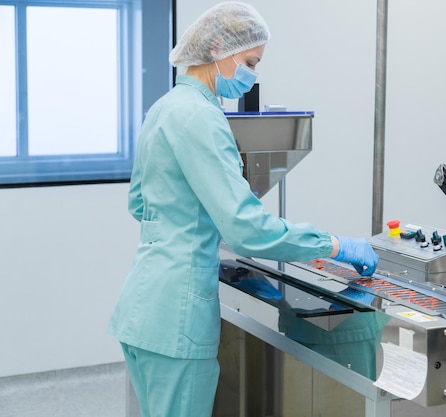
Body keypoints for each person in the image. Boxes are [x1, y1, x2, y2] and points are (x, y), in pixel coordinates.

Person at [107, 2, 378, 416]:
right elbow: (246, 230)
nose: (253, 73)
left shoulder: (164, 107)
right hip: (178, 318)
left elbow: (139, 202)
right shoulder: (202, 116)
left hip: (144, 305)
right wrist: (335, 245)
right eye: (251, 61)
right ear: (218, 48)